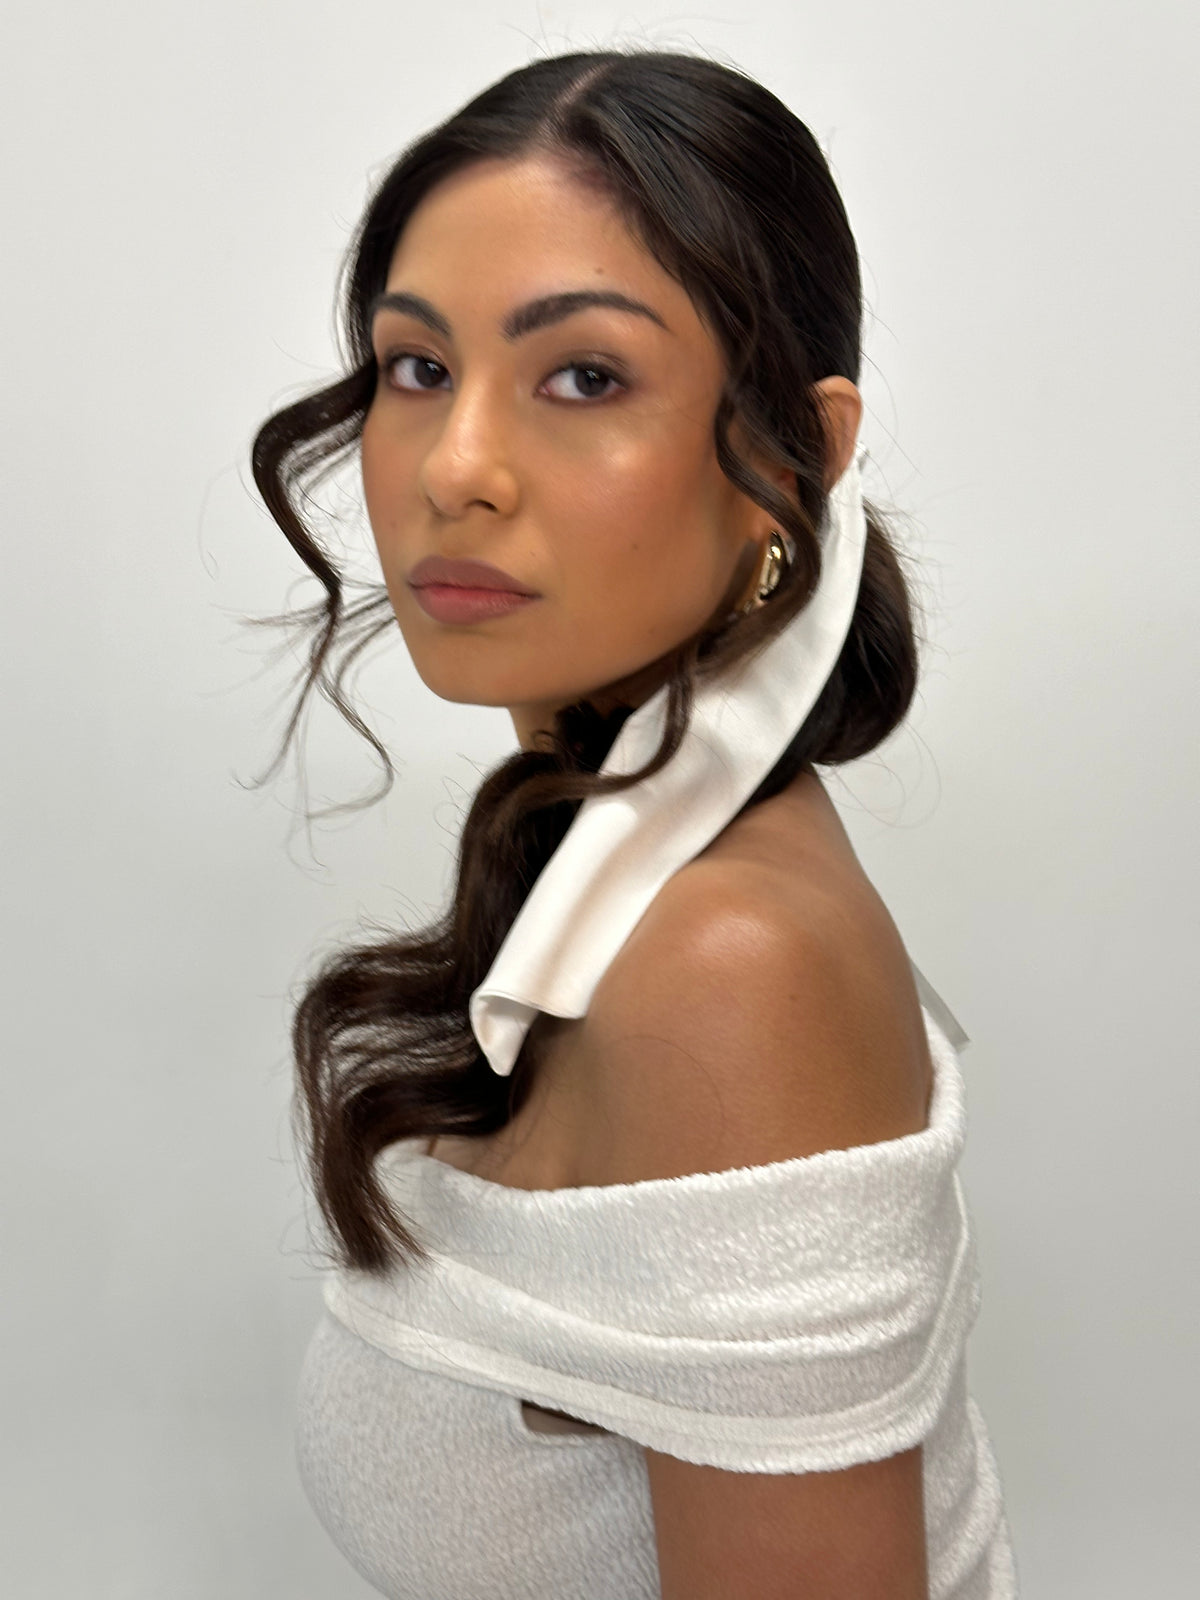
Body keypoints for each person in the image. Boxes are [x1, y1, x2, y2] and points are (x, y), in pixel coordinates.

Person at [252, 47, 1018, 1600]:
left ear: (797, 455)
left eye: (584, 377)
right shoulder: (625, 865)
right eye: (418, 366)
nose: (457, 469)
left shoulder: (726, 965)